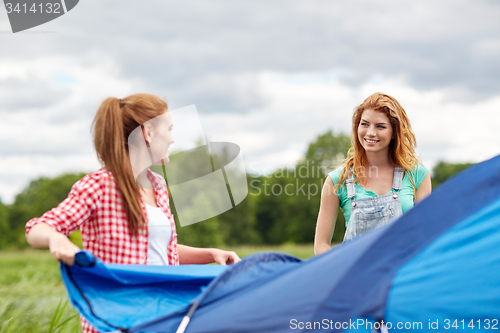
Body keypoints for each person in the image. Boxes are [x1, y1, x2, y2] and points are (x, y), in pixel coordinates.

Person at [25, 93, 240, 333]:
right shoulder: (99, 186)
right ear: (147, 133)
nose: (171, 139)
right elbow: (37, 227)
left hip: (161, 318)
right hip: (117, 323)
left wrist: (210, 254)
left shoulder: (158, 186)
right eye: (169, 129)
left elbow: (161, 252)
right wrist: (56, 237)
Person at [314, 92, 432, 255]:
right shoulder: (337, 180)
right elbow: (321, 246)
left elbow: (425, 235)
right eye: (364, 124)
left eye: (380, 126)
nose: (370, 132)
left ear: (394, 132)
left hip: (401, 274)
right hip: (356, 276)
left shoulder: (417, 174)